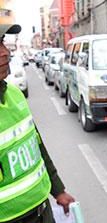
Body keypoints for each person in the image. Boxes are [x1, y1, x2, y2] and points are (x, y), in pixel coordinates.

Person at [0, 24, 75, 222]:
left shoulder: (14, 93)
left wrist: (58, 190)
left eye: (2, 43)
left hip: (42, 210)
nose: (5, 52)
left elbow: (36, 145)